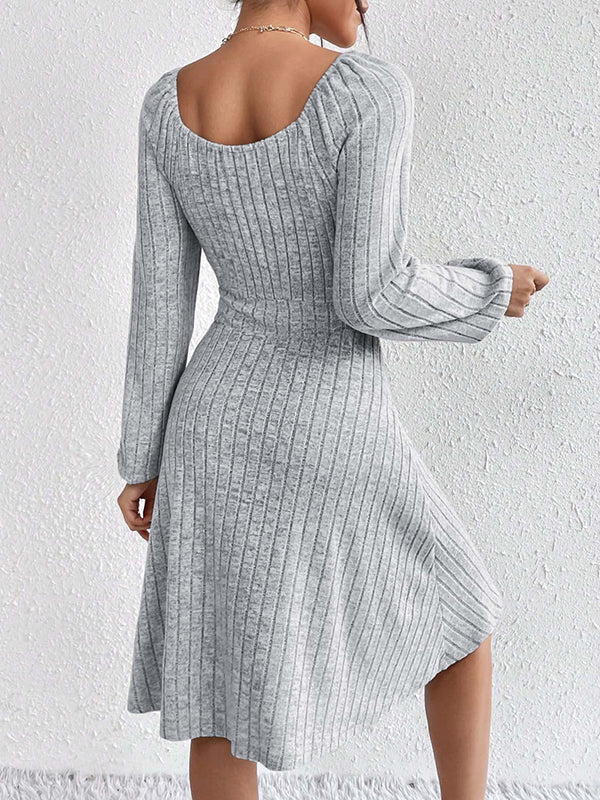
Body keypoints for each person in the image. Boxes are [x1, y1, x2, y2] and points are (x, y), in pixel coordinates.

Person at [116, 1, 549, 798]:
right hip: (329, 412)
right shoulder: (365, 90)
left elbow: (158, 303)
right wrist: (491, 290)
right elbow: (370, 295)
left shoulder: (166, 103)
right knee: (460, 608)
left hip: (212, 419)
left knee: (220, 692)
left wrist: (144, 458)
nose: (366, 3)